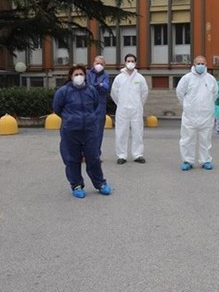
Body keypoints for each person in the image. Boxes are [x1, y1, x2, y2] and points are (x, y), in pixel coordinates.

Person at [53, 65, 112, 198]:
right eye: (76, 74)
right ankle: (76, 185)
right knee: (72, 159)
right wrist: (70, 119)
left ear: (85, 76)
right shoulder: (63, 92)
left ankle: (100, 184)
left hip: (89, 130)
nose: (79, 77)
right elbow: (57, 108)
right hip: (71, 131)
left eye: (81, 74)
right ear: (70, 77)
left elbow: (96, 105)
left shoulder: (91, 90)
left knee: (94, 158)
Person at [176, 55, 218, 171]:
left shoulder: (211, 79)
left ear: (206, 65)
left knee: (205, 139)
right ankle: (187, 160)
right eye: (198, 63)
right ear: (193, 65)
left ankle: (205, 160)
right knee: (187, 139)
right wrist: (187, 106)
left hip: (206, 115)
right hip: (190, 115)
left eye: (202, 63)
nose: (200, 65)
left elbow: (214, 94)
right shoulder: (187, 78)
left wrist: (207, 106)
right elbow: (180, 93)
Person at [110, 54, 148, 164]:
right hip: (122, 110)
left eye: (132, 61)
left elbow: (144, 93)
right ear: (125, 62)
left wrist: (139, 104)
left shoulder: (140, 78)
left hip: (136, 109)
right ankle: (122, 155)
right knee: (121, 132)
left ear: (135, 63)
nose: (130, 62)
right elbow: (114, 93)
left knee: (137, 132)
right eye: (128, 60)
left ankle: (138, 154)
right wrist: (121, 104)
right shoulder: (119, 78)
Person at [87, 55, 110, 156]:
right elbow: (88, 86)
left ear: (104, 65)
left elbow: (106, 88)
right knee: (85, 131)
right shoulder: (87, 74)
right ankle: (84, 154)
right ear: (93, 63)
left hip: (100, 106)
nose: (99, 65)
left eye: (101, 64)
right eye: (97, 63)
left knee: (98, 131)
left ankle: (96, 154)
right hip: (87, 105)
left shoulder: (106, 75)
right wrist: (99, 85)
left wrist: (98, 85)